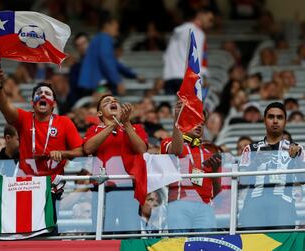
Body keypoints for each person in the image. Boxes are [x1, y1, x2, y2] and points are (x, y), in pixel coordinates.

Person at [83, 94, 148, 231]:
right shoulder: (94, 130)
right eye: (107, 101)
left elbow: (141, 149)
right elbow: (88, 148)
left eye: (115, 101)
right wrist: (113, 124)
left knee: (130, 232)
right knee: (102, 232)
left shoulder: (135, 128)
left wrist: (127, 123)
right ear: (99, 113)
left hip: (128, 189)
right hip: (102, 189)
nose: (113, 101)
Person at [238, 102, 304, 229]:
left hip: (283, 207)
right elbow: (242, 181)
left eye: (279, 117)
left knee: (282, 248)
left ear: (285, 121)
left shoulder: (296, 149)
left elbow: (303, 179)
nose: (275, 121)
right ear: (264, 120)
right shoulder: (250, 149)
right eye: (271, 117)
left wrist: (299, 160)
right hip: (254, 206)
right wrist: (255, 163)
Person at [160, 100, 221, 232]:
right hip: (178, 203)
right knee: (179, 244)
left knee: (206, 245)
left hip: (205, 206)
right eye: (194, 121)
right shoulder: (168, 142)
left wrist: (215, 171)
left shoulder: (209, 152)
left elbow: (216, 191)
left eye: (202, 123)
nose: (199, 125)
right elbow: (176, 150)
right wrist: (177, 120)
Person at [78, 16, 139, 96]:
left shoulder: (98, 39)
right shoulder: (105, 38)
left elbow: (113, 62)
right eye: (116, 28)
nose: (117, 32)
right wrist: (118, 82)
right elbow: (107, 61)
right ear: (107, 26)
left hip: (91, 84)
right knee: (108, 103)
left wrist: (134, 75)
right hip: (97, 86)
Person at [163, 9, 214, 94]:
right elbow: (196, 59)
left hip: (169, 75)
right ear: (200, 15)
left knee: (173, 106)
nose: (211, 24)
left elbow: (166, 55)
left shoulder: (179, 30)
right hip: (186, 78)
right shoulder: (198, 33)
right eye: (210, 20)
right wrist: (203, 77)